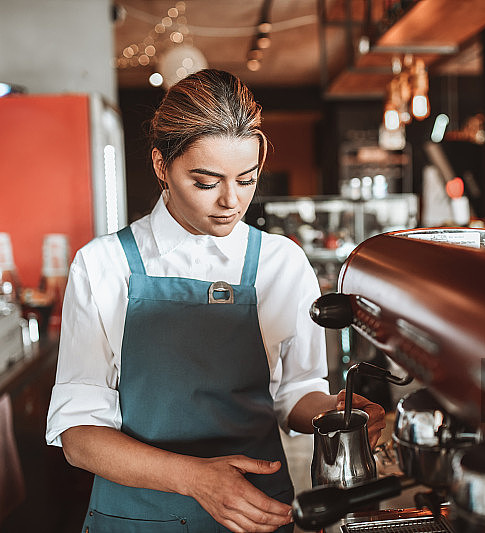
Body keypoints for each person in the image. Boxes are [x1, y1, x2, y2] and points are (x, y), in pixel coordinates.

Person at [45, 69, 385, 533]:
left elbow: (295, 394)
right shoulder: (103, 266)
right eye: (205, 182)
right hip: (136, 517)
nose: (231, 200)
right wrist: (196, 479)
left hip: (256, 515)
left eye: (246, 179)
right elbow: (79, 438)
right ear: (161, 166)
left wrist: (334, 412)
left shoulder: (280, 263)